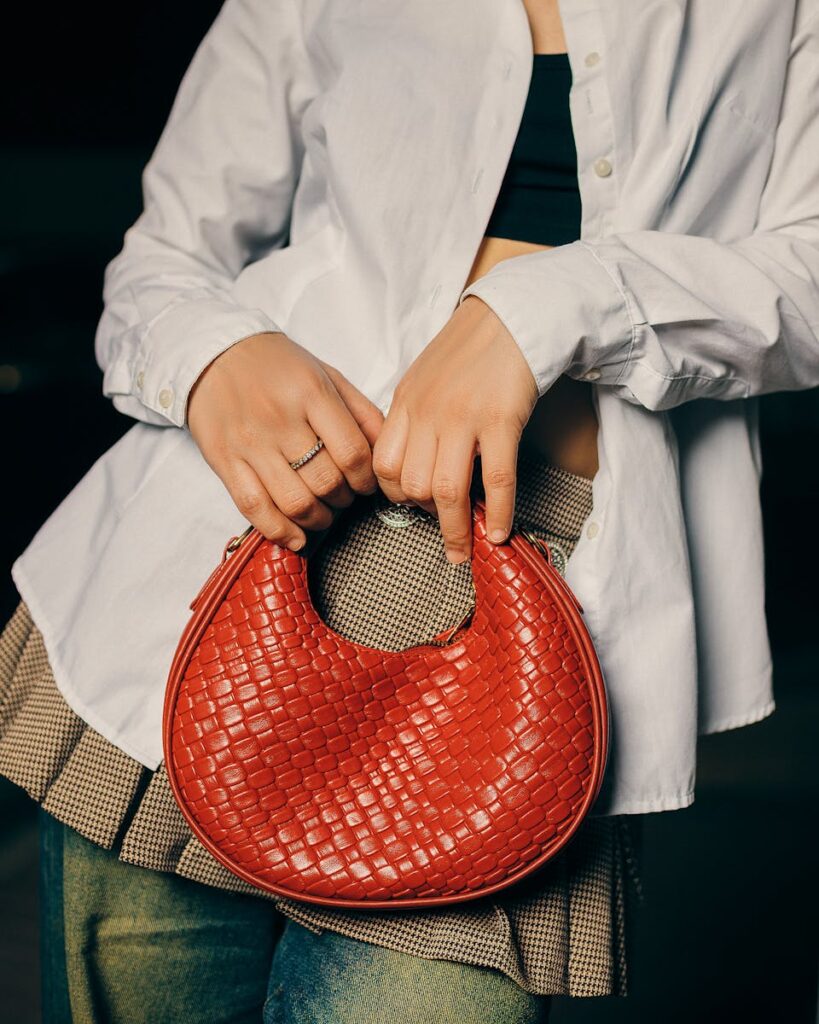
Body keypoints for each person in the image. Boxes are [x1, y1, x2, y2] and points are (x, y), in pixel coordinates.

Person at [1, 0, 818, 1020]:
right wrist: (212, 360)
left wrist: (551, 308)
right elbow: (163, 259)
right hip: (220, 563)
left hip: (540, 617)